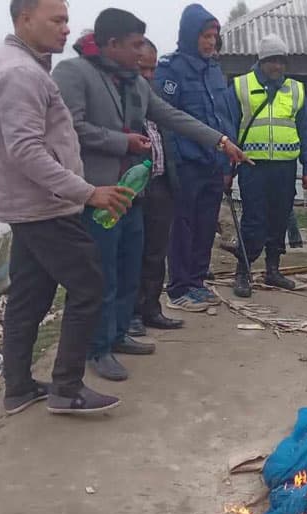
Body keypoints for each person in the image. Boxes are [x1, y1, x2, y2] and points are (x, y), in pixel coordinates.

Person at [54, 10, 241, 382]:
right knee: (103, 273)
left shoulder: (135, 83)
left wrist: (220, 141)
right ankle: (98, 347)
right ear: (112, 44)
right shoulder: (74, 74)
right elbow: (70, 128)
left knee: (129, 267)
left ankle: (121, 332)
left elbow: (171, 116)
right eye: (136, 44)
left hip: (132, 193)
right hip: (99, 192)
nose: (142, 52)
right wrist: (120, 141)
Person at [0, 0, 133, 414]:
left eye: (66, 19)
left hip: (29, 205)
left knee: (29, 297)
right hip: (45, 206)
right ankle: (66, 388)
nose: (66, 28)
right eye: (57, 20)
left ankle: (18, 387)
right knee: (89, 286)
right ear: (24, 18)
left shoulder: (20, 64)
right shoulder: (20, 73)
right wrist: (87, 192)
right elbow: (26, 151)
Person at [155, 3, 242, 312]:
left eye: (214, 36)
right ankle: (178, 288)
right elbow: (165, 119)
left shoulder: (214, 70)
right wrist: (175, 161)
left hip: (213, 163)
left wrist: (226, 162)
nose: (210, 42)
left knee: (206, 225)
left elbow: (224, 116)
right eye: (205, 36)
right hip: (185, 164)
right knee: (182, 226)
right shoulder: (171, 70)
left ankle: (196, 282)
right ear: (191, 35)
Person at [231, 35, 307, 298]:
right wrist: (226, 168)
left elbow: (306, 130)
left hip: (285, 167)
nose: (277, 67)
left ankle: (273, 270)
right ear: (261, 61)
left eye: (281, 61)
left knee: (279, 218)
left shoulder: (296, 90)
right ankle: (243, 273)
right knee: (253, 220)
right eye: (271, 61)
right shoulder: (240, 86)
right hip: (252, 166)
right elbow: (229, 128)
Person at [130, 39, 186, 336]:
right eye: (143, 68)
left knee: (156, 252)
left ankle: (152, 308)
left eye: (153, 68)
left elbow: (173, 127)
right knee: (133, 255)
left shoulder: (153, 96)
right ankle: (132, 314)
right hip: (135, 191)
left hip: (162, 184)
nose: (150, 75)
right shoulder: (122, 99)